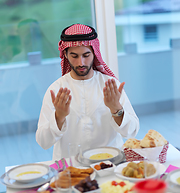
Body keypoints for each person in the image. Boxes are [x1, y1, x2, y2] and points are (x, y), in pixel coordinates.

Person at [36, 24, 139, 160]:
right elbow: (43, 142)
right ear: (65, 54)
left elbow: (132, 132)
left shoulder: (111, 85)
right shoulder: (56, 90)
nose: (81, 62)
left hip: (110, 164)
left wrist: (116, 109)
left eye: (86, 55)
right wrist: (59, 117)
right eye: (74, 56)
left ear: (94, 53)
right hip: (70, 169)